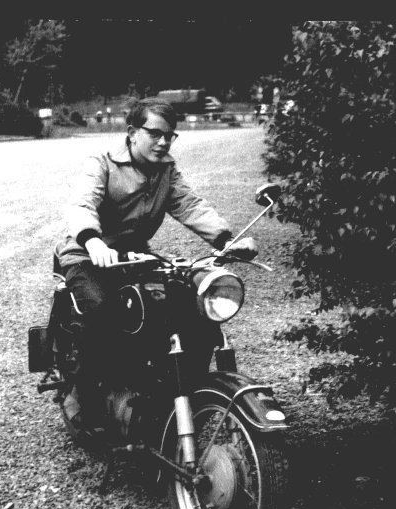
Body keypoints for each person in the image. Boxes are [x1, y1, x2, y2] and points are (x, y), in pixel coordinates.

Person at [57, 97, 257, 428]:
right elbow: (81, 204)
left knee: (186, 306)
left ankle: (175, 395)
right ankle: (82, 393)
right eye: (155, 133)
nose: (163, 142)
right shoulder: (103, 163)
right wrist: (92, 240)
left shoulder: (166, 169)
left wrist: (226, 241)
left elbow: (190, 205)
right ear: (132, 132)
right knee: (102, 313)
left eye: (169, 135)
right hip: (88, 254)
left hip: (135, 255)